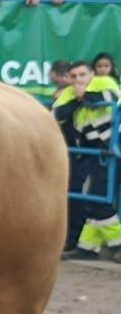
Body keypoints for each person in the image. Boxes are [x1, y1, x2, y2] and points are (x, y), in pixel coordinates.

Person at [53, 59, 121, 261]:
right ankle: (87, 248)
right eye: (73, 76)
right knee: (92, 200)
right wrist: (77, 99)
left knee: (98, 201)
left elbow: (112, 97)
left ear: (92, 74)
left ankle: (118, 243)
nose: (78, 80)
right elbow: (57, 114)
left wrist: (85, 96)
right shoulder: (69, 93)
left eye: (82, 75)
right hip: (93, 154)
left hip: (111, 151)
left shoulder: (104, 82)